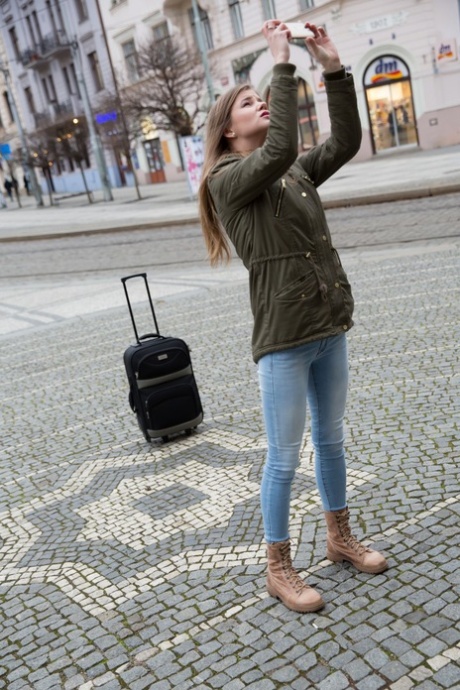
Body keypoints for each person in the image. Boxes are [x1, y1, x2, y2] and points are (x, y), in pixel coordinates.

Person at [199, 20, 388, 613]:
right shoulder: (227, 180)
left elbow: (345, 142)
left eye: (263, 99)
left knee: (330, 441)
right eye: (249, 103)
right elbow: (280, 145)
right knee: (283, 457)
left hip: (327, 325)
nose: (260, 105)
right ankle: (278, 567)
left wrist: (332, 69)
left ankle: (339, 538)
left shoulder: (292, 171)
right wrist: (279, 63)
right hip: (283, 339)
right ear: (229, 130)